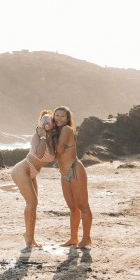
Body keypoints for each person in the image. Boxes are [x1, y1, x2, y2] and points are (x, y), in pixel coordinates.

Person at [10, 109, 56, 248]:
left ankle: (30, 236)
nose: (46, 123)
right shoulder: (37, 136)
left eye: (49, 121)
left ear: (53, 123)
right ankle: (28, 238)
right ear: (40, 123)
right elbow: (40, 154)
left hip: (33, 172)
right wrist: (42, 136)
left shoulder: (53, 138)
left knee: (34, 205)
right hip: (22, 169)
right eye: (43, 121)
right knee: (32, 203)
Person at [53, 106, 92, 249]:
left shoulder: (66, 130)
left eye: (62, 116)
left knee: (83, 206)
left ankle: (86, 238)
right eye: (56, 115)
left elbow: (59, 150)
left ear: (68, 119)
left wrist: (46, 134)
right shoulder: (57, 131)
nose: (59, 119)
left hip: (75, 170)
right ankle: (73, 238)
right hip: (64, 174)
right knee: (72, 208)